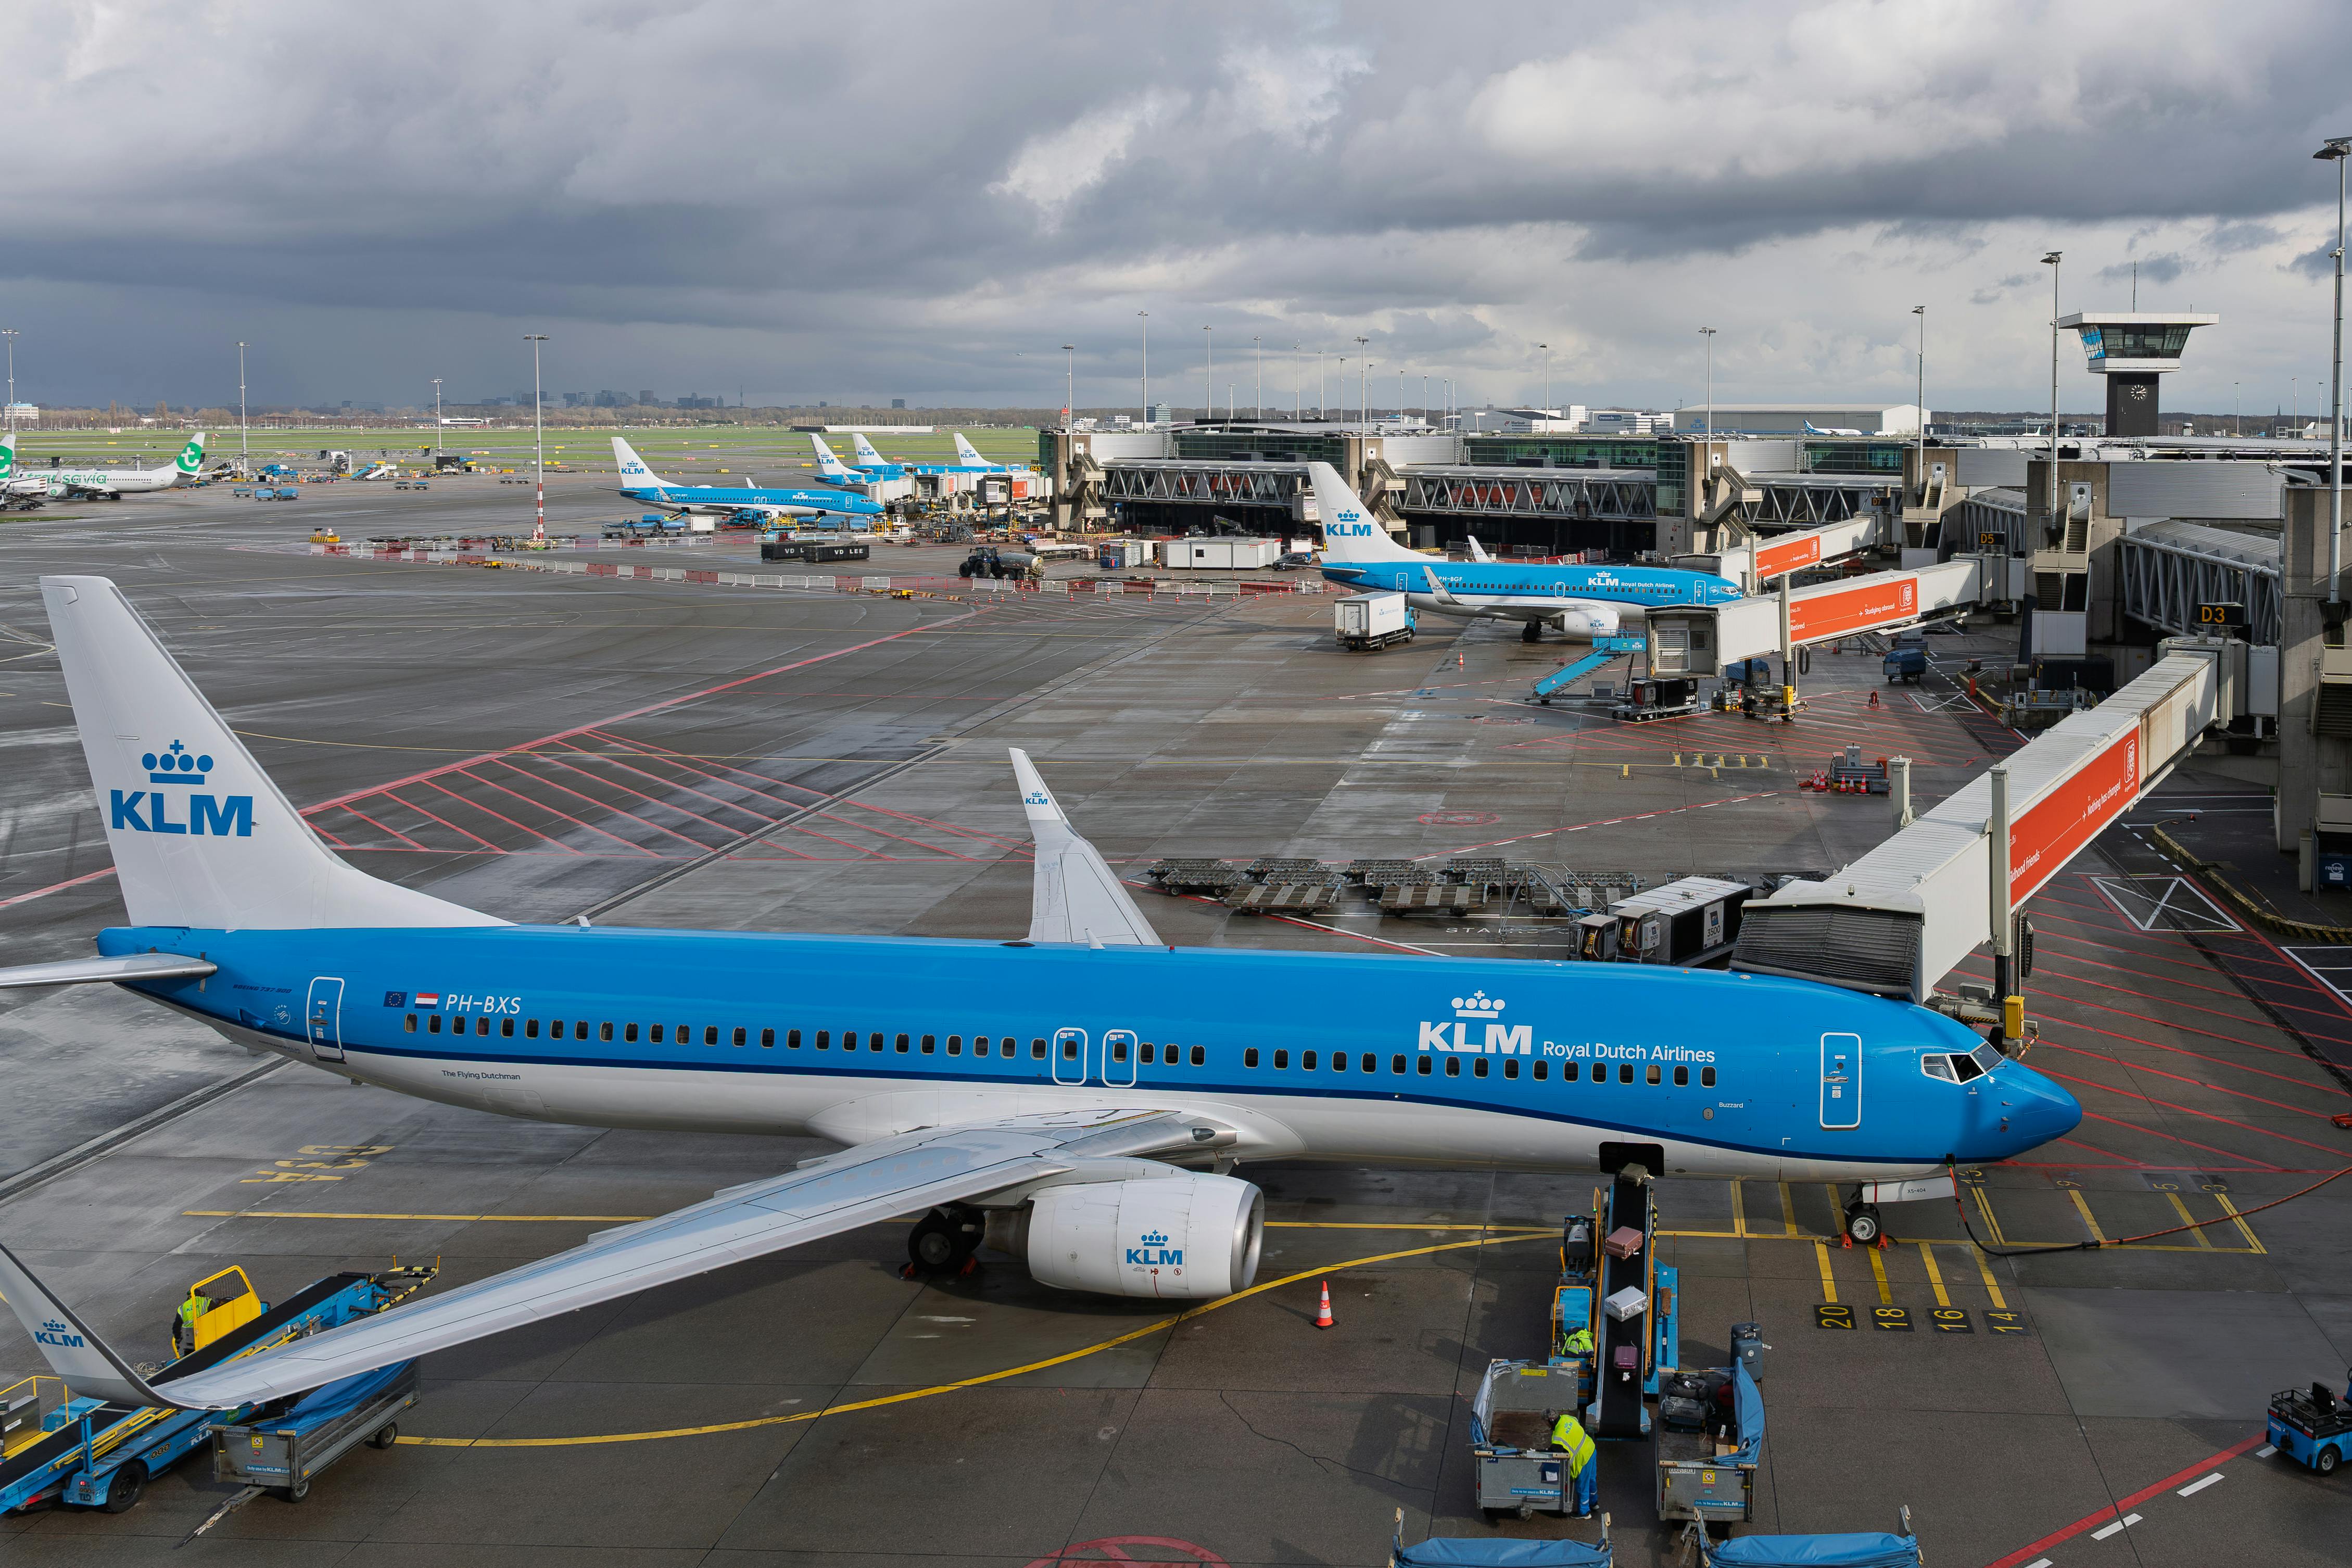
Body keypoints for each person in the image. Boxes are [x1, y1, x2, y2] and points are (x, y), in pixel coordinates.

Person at [1548, 1407, 1598, 1517]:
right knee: (1591, 1480)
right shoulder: (1567, 1418)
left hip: (1583, 1459)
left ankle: (1584, 1512)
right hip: (1591, 1448)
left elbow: (1555, 1452)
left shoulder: (1558, 1436)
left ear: (1551, 1421)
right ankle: (1594, 1503)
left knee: (1582, 1487)